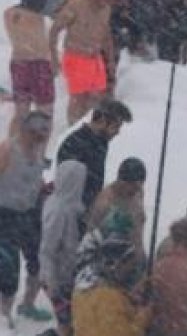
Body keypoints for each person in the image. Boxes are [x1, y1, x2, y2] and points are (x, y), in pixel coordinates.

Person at [0, 111, 54, 326]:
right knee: (8, 267)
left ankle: (28, 304)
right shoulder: (7, 150)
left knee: (38, 261)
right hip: (4, 214)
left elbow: (33, 180)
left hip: (30, 214)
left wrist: (45, 190)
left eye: (45, 132)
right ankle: (5, 315)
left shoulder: (39, 151)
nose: (40, 137)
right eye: (36, 132)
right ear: (24, 130)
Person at [50, 0, 120, 124]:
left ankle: (86, 128)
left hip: (95, 58)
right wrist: (54, 57)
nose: (107, 2)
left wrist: (111, 60)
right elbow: (55, 29)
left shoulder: (106, 9)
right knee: (78, 99)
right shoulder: (77, 5)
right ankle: (73, 128)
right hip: (76, 56)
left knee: (97, 97)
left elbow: (106, 35)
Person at [56, 99, 133, 211]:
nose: (117, 132)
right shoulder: (75, 144)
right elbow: (71, 187)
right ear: (102, 120)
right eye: (116, 126)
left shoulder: (100, 142)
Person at [71, 230, 152, 336]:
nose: (131, 269)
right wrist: (144, 315)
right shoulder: (109, 297)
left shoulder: (84, 289)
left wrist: (129, 299)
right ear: (117, 264)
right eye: (129, 264)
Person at [40, 160, 87, 336]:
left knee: (69, 318)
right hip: (57, 277)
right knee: (66, 321)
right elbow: (48, 248)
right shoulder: (58, 210)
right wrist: (51, 281)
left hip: (66, 275)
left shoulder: (69, 204)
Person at [5, 0, 55, 135]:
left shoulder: (9, 13)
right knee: (46, 112)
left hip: (18, 63)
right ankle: (38, 150)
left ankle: (12, 145)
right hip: (39, 64)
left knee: (21, 112)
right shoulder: (36, 16)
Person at [86, 157, 147, 280]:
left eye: (139, 187)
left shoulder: (137, 192)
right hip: (111, 264)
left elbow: (137, 227)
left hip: (134, 258)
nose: (136, 191)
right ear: (121, 181)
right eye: (133, 188)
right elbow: (91, 240)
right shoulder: (104, 204)